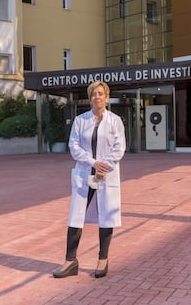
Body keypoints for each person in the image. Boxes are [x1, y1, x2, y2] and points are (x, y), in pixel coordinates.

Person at [53, 81, 126, 278]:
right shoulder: (80, 120)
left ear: (107, 97)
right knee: (76, 217)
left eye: (101, 93)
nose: (97, 97)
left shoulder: (115, 121)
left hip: (106, 175)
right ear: (90, 97)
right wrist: (93, 163)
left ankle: (103, 258)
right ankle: (70, 261)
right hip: (85, 174)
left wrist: (104, 166)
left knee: (106, 215)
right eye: (94, 94)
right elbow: (74, 146)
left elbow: (119, 148)